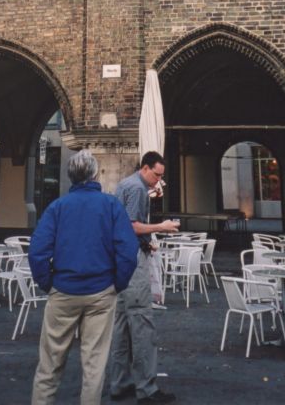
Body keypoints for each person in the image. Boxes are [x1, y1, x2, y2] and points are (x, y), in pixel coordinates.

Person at [29, 149, 139, 405]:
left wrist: (49, 283)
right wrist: (117, 283)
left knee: (49, 365)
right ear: (94, 173)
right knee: (94, 365)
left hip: (64, 291)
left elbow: (37, 251)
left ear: (71, 176)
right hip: (101, 292)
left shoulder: (57, 207)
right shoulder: (110, 204)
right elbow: (128, 250)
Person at [110, 151, 179, 404]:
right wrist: (161, 227)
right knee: (141, 323)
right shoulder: (138, 189)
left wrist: (145, 242)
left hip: (118, 261)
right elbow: (131, 225)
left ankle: (119, 383)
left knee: (121, 325)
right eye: (157, 175)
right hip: (132, 263)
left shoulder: (125, 184)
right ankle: (147, 389)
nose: (158, 181)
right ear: (146, 168)